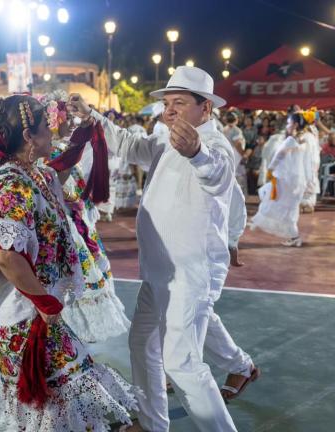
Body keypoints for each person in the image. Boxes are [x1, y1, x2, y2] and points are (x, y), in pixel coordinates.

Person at [69, 66, 257, 432]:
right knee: (142, 344)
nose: (169, 111)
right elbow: (126, 143)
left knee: (182, 364)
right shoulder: (163, 140)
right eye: (167, 103)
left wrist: (197, 153)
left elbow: (218, 176)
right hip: (158, 271)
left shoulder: (214, 146)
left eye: (180, 103)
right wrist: (91, 116)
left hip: (190, 272)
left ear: (206, 109)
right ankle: (153, 423)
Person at [0, 94, 137, 431]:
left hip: (34, 309)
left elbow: (60, 174)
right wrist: (43, 299)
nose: (53, 131)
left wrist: (84, 136)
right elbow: (6, 256)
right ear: (29, 136)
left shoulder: (31, 173)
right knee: (59, 394)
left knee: (55, 405)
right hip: (21, 316)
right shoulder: (9, 183)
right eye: (46, 126)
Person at [40, 91, 130, 342]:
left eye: (72, 118)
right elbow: (56, 189)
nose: (71, 123)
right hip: (63, 228)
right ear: (53, 121)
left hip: (79, 224)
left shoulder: (64, 149)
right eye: (67, 118)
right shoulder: (48, 153)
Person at [251, 113, 311, 247]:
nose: (287, 126)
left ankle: (294, 236)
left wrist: (270, 170)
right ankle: (293, 236)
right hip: (298, 180)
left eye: (289, 123)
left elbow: (279, 155)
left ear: (295, 125)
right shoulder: (306, 140)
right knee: (290, 208)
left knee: (275, 205)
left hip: (287, 179)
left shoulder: (291, 141)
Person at [224, 112, 248, 194]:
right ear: (236, 120)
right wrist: (243, 154)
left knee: (229, 175)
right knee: (239, 175)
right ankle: (239, 195)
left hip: (227, 153)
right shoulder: (236, 130)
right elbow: (238, 144)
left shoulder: (224, 129)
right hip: (236, 154)